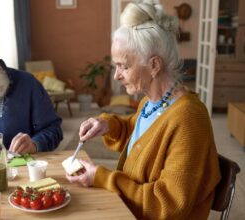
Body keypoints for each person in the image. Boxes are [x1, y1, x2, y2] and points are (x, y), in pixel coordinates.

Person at [65, 1, 221, 219]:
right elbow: (140, 135)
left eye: (124, 66)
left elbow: (167, 204)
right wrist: (106, 124)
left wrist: (101, 177)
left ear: (154, 65)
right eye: (116, 66)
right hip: (129, 209)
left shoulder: (189, 118)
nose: (116, 76)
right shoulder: (151, 103)